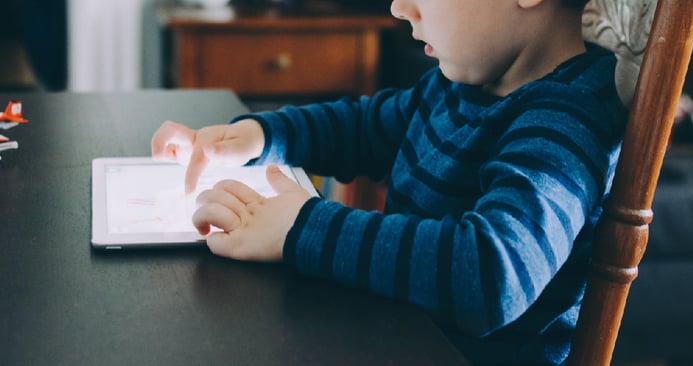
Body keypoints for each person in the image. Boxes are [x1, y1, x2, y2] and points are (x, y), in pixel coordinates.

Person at [151, 0, 628, 364]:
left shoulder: (567, 120)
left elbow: (492, 274)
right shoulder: (460, 85)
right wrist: (259, 135)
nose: (400, 7)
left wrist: (302, 225)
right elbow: (363, 127)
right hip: (397, 333)